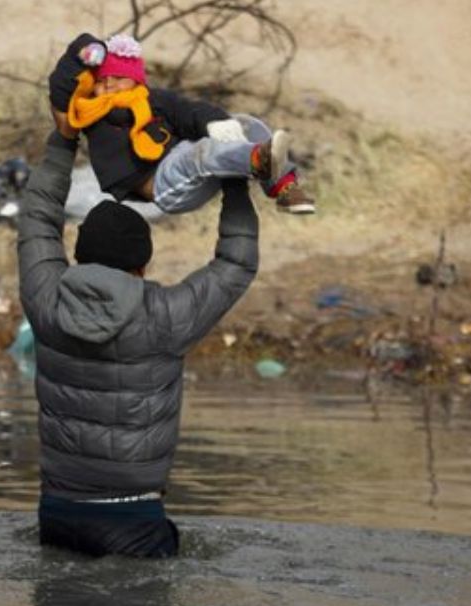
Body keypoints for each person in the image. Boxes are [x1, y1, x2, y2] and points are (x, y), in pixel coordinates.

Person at [17, 45, 261, 558]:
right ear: (142, 266)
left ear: (78, 256)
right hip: (133, 518)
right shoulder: (166, 317)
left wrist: (64, 140)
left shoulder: (45, 298)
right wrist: (236, 184)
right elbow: (236, 263)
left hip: (57, 513)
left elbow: (37, 217)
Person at [50, 32, 315, 215]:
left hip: (194, 164)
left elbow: (188, 111)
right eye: (102, 80)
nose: (109, 84)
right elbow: (62, 93)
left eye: (119, 78)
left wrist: (216, 123)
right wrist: (81, 51)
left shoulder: (153, 99)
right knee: (200, 153)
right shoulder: (90, 116)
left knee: (248, 124)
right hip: (165, 186)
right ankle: (257, 160)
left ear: (136, 80)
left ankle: (285, 190)